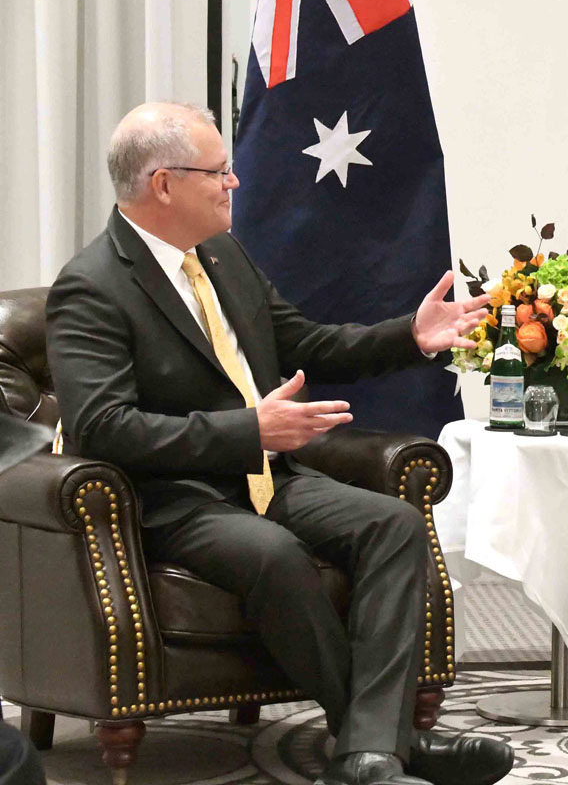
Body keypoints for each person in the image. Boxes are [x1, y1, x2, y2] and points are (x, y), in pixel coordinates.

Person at [45, 102, 514, 785]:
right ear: (163, 185)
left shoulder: (222, 256)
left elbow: (306, 344)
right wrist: (249, 430)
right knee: (274, 554)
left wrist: (409, 336)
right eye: (218, 172)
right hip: (174, 498)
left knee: (395, 524)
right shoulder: (92, 286)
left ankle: (367, 753)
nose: (233, 183)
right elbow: (103, 426)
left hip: (269, 480)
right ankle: (386, 746)